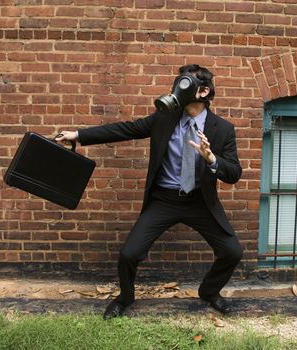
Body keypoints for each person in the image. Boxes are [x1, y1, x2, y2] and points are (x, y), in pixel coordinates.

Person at [56, 64, 243, 320]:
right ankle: (126, 297)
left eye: (185, 83)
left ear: (203, 92)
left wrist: (211, 159)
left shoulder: (223, 129)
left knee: (232, 252)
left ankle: (209, 292)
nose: (178, 87)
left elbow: (233, 173)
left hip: (200, 202)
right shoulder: (164, 118)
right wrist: (78, 135)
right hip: (164, 200)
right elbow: (126, 129)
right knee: (129, 254)